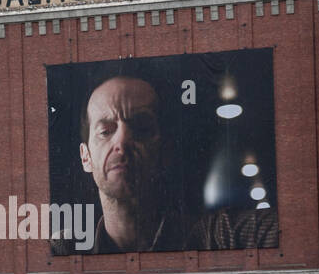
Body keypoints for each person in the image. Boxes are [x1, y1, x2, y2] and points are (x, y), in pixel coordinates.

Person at [55, 72, 278, 254]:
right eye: (105, 131)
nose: (121, 141)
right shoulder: (65, 249)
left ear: (166, 151)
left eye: (142, 129)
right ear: (86, 157)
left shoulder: (218, 237)